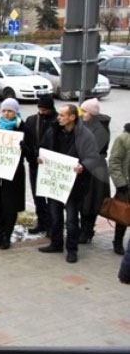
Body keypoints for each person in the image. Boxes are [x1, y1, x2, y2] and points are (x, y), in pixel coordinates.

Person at [38, 104, 102, 264]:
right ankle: (56, 243)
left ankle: (72, 250)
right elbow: (43, 148)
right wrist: (40, 157)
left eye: (62, 115)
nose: (58, 118)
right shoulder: (53, 130)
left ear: (72, 117)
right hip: (55, 182)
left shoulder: (85, 135)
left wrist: (83, 166)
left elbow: (93, 157)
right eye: (59, 115)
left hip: (74, 185)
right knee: (55, 215)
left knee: (72, 219)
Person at [0, 98, 27, 250]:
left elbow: (31, 152)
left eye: (10, 111)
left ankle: (7, 236)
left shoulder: (22, 128)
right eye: (4, 111)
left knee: (10, 207)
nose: (7, 114)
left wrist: (23, 147)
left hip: (13, 175)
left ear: (16, 112)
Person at [78, 98, 111, 245]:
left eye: (84, 111)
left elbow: (93, 150)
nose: (82, 114)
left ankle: (87, 230)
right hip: (83, 167)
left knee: (91, 201)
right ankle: (83, 229)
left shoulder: (100, 129)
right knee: (82, 201)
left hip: (95, 170)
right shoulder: (83, 124)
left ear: (91, 113)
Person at [23, 95, 57, 235]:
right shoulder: (31, 120)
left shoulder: (57, 121)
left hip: (51, 166)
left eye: (45, 110)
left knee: (52, 198)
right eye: (40, 109)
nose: (42, 112)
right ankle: (42, 222)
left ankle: (52, 225)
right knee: (38, 196)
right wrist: (32, 155)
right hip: (35, 164)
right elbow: (27, 141)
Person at [108, 121, 130, 255]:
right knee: (123, 214)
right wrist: (120, 183)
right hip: (126, 185)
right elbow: (114, 161)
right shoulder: (124, 139)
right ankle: (117, 241)